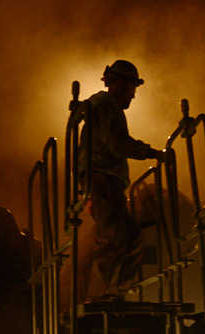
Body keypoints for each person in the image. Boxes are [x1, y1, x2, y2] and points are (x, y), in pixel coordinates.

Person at [79, 59, 160, 297]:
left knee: (122, 236)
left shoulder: (103, 106)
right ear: (120, 85)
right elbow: (118, 144)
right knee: (117, 237)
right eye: (132, 88)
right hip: (102, 180)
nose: (133, 96)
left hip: (103, 180)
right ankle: (103, 293)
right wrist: (152, 153)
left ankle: (112, 290)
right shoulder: (106, 105)